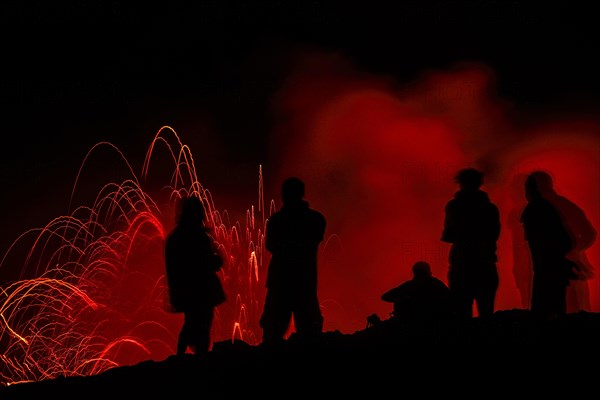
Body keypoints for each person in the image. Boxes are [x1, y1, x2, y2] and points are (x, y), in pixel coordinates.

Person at [259, 177, 327, 345]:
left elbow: (272, 246)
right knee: (309, 330)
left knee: (273, 332)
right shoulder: (315, 219)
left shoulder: (276, 221)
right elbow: (313, 239)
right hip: (304, 281)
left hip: (280, 281)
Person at [520, 171, 594, 320]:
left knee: (558, 310)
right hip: (559, 267)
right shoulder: (554, 205)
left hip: (554, 268)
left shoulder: (541, 207)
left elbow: (587, 234)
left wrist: (570, 254)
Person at [165, 195, 226, 356]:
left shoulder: (176, 238)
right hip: (202, 290)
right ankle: (200, 359)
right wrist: (215, 261)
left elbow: (174, 269)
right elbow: (206, 262)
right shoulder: (198, 236)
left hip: (187, 292)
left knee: (192, 323)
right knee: (202, 324)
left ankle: (183, 356)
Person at [441, 168, 501, 320]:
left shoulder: (454, 206)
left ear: (460, 184)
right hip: (485, 265)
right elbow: (494, 234)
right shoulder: (490, 208)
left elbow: (448, 235)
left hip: (461, 266)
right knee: (487, 313)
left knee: (462, 315)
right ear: (479, 184)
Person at [381, 261, 454, 324]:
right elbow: (451, 298)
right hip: (434, 322)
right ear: (428, 272)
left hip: (410, 324)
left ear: (414, 272)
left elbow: (386, 297)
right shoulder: (436, 284)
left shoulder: (408, 286)